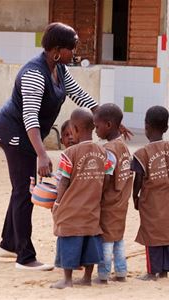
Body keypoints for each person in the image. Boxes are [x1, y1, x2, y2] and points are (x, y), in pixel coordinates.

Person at [0, 22, 100, 270]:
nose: (74, 53)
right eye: (71, 49)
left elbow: (79, 94)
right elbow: (29, 116)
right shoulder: (34, 74)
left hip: (28, 134)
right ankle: (24, 257)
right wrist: (42, 154)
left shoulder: (59, 69)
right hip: (15, 133)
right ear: (56, 50)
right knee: (24, 191)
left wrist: (105, 115)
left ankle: (8, 243)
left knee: (20, 187)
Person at [51, 108, 113, 289]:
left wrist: (57, 202)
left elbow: (63, 181)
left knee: (68, 239)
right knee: (90, 241)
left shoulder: (69, 153)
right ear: (93, 127)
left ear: (75, 129)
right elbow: (108, 176)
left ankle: (67, 280)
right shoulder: (103, 152)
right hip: (92, 208)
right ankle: (87, 278)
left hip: (71, 209)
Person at [131, 106, 169, 280]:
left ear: (146, 126)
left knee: (152, 234)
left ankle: (151, 272)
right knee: (167, 232)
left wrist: (135, 197)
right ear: (166, 128)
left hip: (151, 201)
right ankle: (164, 270)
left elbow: (138, 179)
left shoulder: (141, 153)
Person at [93, 104, 133, 284]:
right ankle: (121, 272)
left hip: (109, 201)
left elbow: (107, 177)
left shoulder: (109, 150)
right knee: (118, 238)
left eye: (97, 126)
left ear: (108, 125)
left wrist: (96, 195)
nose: (95, 130)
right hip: (122, 199)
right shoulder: (123, 145)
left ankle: (103, 274)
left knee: (107, 239)